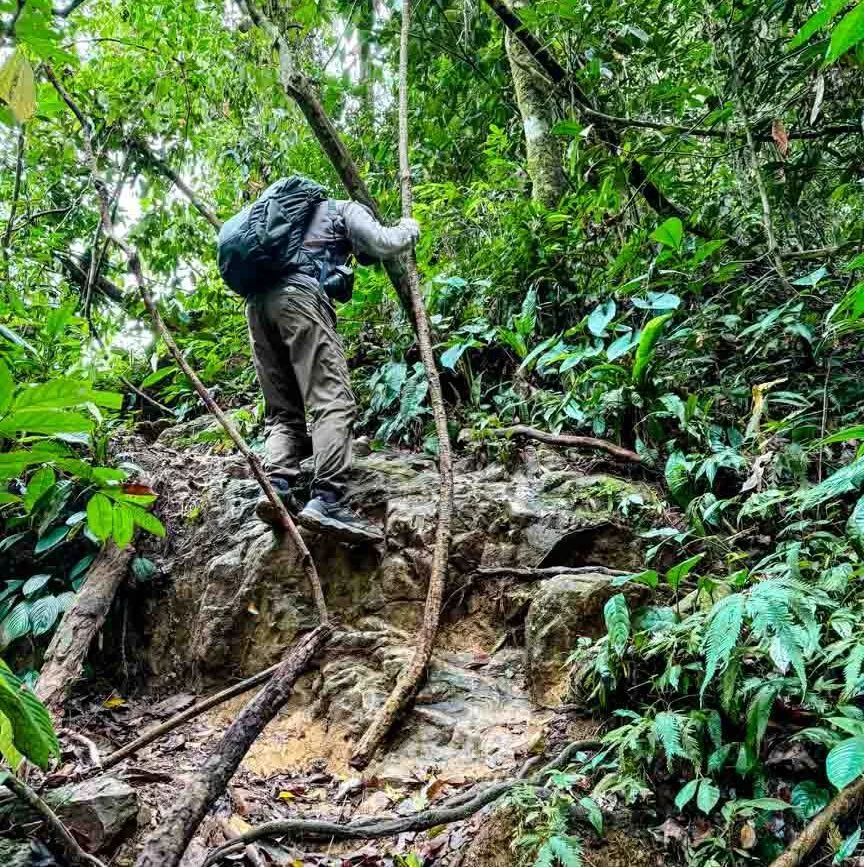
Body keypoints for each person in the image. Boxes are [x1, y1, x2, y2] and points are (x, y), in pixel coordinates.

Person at [247, 193, 420, 544]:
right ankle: (327, 499)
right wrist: (407, 228)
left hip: (256, 306)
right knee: (333, 401)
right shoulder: (344, 209)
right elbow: (383, 242)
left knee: (282, 413)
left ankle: (277, 488)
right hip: (299, 297)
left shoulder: (289, 226)